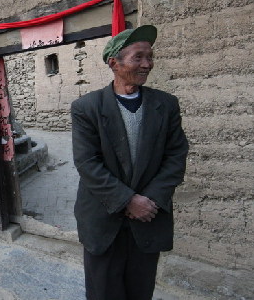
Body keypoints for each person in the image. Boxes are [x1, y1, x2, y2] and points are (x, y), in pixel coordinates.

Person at [71, 25, 189, 300]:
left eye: (150, 57)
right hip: (102, 218)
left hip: (149, 213)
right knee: (103, 291)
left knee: (140, 289)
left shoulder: (166, 104)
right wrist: (127, 201)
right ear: (114, 63)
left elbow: (176, 155)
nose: (147, 64)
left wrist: (149, 200)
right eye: (138, 57)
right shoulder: (87, 107)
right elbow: (87, 163)